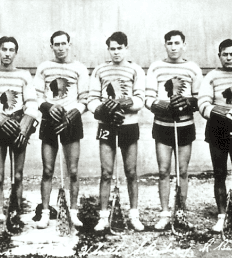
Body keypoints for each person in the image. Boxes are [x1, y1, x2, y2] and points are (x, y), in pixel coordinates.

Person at [0, 36, 38, 235]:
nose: (7, 53)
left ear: (16, 53)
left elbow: (31, 103)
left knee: (18, 175)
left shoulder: (24, 75)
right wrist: (1, 120)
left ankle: (16, 213)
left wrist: (23, 126)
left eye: (11, 50)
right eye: (4, 49)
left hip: (19, 125)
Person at [88, 31, 145, 231]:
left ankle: (134, 214)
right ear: (108, 50)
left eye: (119, 48)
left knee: (131, 172)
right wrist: (103, 110)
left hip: (129, 125)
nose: (116, 52)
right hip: (106, 125)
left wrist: (125, 103)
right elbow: (92, 99)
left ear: (126, 48)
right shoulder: (100, 70)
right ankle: (103, 216)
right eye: (112, 48)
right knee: (106, 172)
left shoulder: (135, 70)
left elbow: (140, 99)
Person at [145, 30, 202, 229]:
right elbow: (148, 98)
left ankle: (181, 212)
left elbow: (199, 99)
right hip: (162, 125)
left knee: (183, 171)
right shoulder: (156, 67)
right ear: (165, 45)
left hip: (185, 126)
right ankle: (164, 213)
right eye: (169, 43)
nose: (174, 47)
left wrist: (186, 103)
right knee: (163, 171)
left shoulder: (193, 68)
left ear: (184, 45)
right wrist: (163, 106)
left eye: (177, 43)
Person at [34, 30, 89, 229]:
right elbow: (37, 96)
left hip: (71, 121)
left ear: (69, 44)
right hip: (50, 120)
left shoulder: (79, 68)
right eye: (56, 44)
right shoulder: (44, 67)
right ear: (51, 47)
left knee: (73, 170)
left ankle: (73, 212)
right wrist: (48, 108)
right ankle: (45, 213)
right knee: (48, 170)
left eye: (63, 43)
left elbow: (84, 99)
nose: (60, 48)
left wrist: (73, 113)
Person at [198, 39, 232, 232]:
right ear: (219, 55)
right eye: (225, 54)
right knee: (219, 173)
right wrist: (222, 112)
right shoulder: (211, 76)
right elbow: (203, 102)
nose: (229, 58)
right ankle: (221, 217)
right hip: (217, 128)